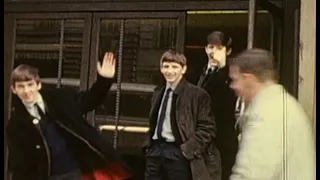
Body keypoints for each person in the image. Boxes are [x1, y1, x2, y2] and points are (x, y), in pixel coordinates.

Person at [6, 52, 132, 180]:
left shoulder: (60, 98)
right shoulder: (16, 124)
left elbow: (89, 101)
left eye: (30, 85)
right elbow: (19, 165)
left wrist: (104, 80)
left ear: (38, 84)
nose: (27, 91)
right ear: (14, 90)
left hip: (74, 172)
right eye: (21, 87)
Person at [228, 48, 316, 180]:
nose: (232, 86)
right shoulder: (286, 105)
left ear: (248, 78)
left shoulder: (265, 114)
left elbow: (251, 175)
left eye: (235, 79)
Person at [143, 50, 218, 180]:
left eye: (174, 67)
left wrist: (187, 150)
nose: (169, 71)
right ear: (161, 69)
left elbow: (207, 129)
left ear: (183, 69)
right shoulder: (158, 93)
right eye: (166, 66)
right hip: (156, 151)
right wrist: (148, 146)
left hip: (178, 152)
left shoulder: (197, 95)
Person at [197, 31, 238, 180]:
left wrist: (221, 69)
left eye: (219, 48)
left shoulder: (232, 76)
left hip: (221, 145)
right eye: (211, 48)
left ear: (228, 51)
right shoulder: (200, 73)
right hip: (202, 144)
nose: (213, 53)